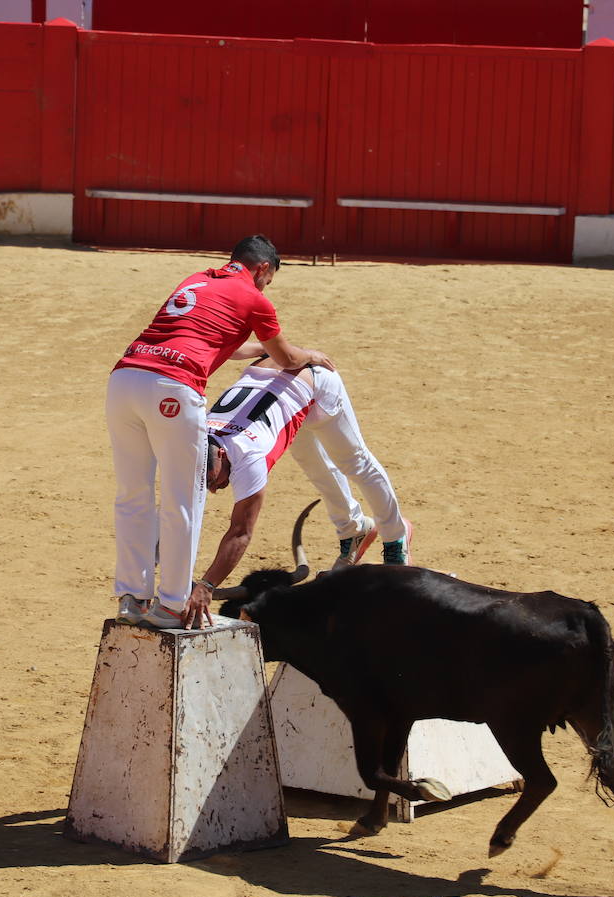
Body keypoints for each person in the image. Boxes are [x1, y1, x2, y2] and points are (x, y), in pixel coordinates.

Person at [106, 236, 332, 632]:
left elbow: (215, 342)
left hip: (125, 378)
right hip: (172, 389)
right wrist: (309, 354)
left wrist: (260, 351)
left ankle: (132, 596)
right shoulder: (255, 298)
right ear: (262, 268)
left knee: (132, 494)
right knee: (183, 498)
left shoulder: (196, 280)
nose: (265, 289)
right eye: (268, 280)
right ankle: (173, 604)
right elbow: (288, 359)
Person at [179, 355, 413, 626]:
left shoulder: (248, 455)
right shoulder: (193, 441)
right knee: (314, 466)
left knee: (354, 461)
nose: (216, 489)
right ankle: (354, 529)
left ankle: (396, 538)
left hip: (315, 384)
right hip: (277, 388)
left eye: (214, 480)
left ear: (221, 453)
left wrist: (207, 585)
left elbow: (241, 531)